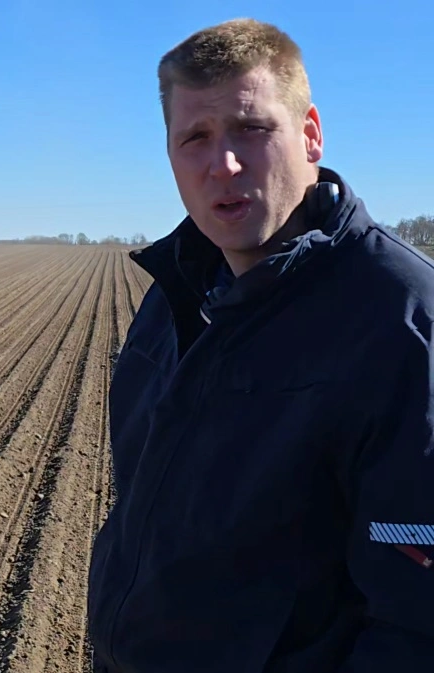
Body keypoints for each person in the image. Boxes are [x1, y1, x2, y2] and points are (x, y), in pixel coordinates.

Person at [86, 18, 434, 671]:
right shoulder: (174, 297)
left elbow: (416, 627)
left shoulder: (400, 323)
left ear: (310, 135)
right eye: (195, 137)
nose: (224, 163)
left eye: (251, 128)